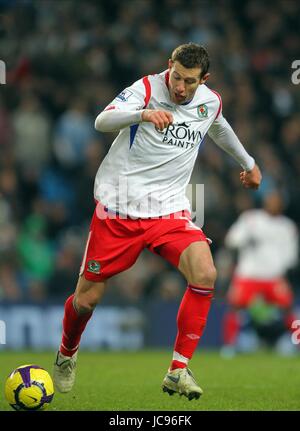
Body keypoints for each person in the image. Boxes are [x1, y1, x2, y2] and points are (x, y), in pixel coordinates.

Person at [53, 43, 261, 400]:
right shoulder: (146, 89)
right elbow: (102, 121)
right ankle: (66, 353)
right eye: (176, 77)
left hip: (169, 210)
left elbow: (219, 127)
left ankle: (177, 370)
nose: (180, 87)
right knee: (86, 300)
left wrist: (248, 163)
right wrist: (142, 115)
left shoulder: (209, 101)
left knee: (206, 273)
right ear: (169, 66)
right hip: (118, 208)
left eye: (189, 81)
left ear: (204, 80)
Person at [222, 191, 298, 356]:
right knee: (234, 308)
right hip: (249, 274)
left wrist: (279, 267)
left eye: (277, 201)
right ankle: (229, 347)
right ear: (265, 202)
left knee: (289, 309)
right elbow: (232, 240)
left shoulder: (287, 227)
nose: (273, 204)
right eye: (271, 200)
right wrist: (245, 239)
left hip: (273, 276)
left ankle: (297, 343)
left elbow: (291, 257)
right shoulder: (251, 219)